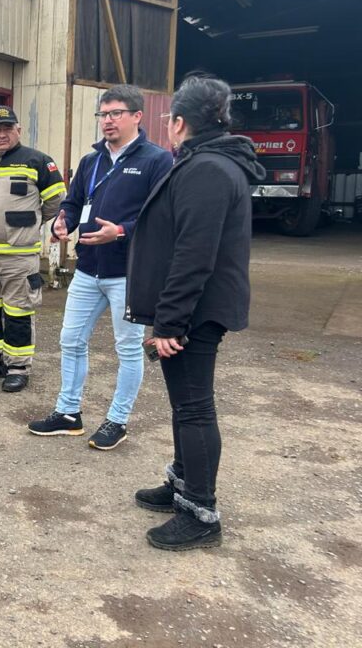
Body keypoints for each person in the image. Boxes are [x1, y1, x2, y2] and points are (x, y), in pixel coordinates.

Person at [126, 75, 264, 551]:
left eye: (169, 118)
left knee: (194, 407)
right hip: (191, 308)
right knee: (185, 404)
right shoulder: (207, 162)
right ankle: (182, 483)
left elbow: (193, 255)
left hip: (195, 312)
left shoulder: (206, 169)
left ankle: (201, 512)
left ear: (179, 122)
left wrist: (169, 322)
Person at [28, 85, 173, 449]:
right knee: (71, 340)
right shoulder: (91, 161)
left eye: (115, 113)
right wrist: (64, 222)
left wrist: (121, 231)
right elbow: (75, 202)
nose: (107, 121)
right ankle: (68, 413)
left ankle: (117, 420)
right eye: (103, 114)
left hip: (129, 272)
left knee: (127, 349)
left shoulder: (157, 161)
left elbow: (164, 219)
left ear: (137, 116)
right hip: (88, 269)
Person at [0, 105, 66, 392]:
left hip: (19, 256)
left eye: (8, 128)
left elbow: (55, 201)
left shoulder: (37, 161)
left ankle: (18, 366)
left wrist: (28, 222)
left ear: (18, 130)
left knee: (18, 311)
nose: (2, 134)